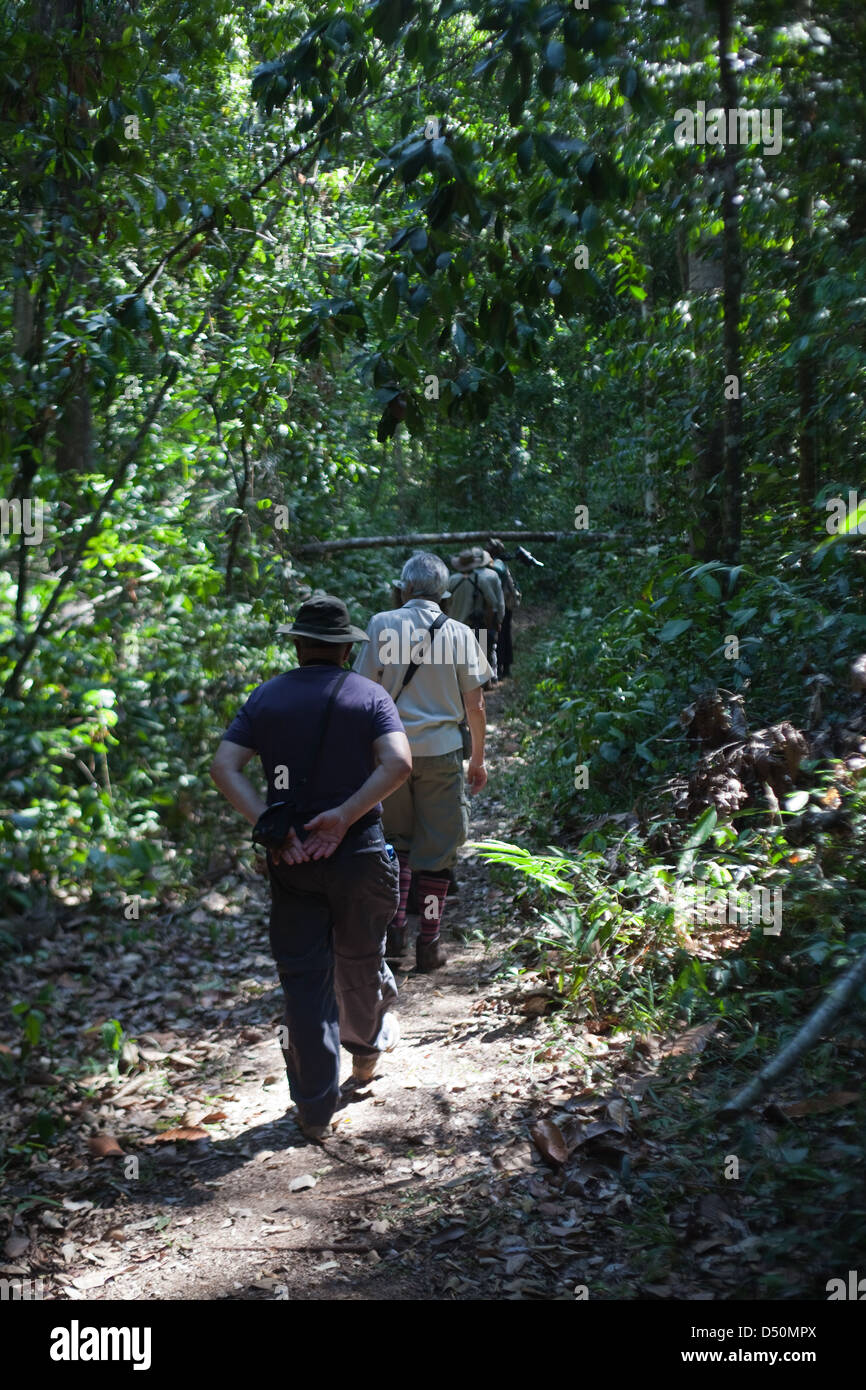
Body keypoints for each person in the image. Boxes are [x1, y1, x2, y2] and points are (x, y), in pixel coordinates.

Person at [209, 595, 412, 1142]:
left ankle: (315, 1111)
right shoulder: (369, 696)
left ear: (297, 643)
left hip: (292, 859)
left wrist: (272, 828)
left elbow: (223, 766)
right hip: (360, 853)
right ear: (348, 647)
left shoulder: (266, 699)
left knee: (304, 981)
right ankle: (365, 1057)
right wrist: (344, 817)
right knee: (361, 958)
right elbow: (398, 763)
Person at [353, 553, 490, 971]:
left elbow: (362, 691)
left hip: (390, 756)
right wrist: (478, 760)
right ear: (444, 594)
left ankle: (395, 936)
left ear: (404, 588)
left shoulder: (380, 624)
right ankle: (428, 945)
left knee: (396, 845)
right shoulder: (462, 633)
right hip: (443, 753)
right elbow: (476, 703)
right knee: (437, 856)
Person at [446, 546, 505, 683]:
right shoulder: (481, 580)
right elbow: (493, 603)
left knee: (460, 664)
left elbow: (444, 603)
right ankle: (482, 689)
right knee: (480, 662)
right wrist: (493, 622)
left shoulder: (451, 580)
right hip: (477, 625)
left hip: (454, 627)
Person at [487, 539, 521, 679]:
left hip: (497, 605)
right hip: (505, 604)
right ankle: (505, 668)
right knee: (504, 635)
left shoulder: (495, 566)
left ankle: (500, 669)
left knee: (497, 636)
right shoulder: (501, 565)